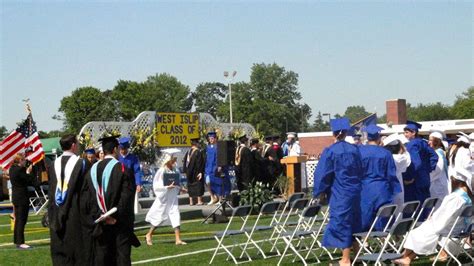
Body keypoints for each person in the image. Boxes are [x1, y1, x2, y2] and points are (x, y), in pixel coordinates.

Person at [393, 165, 474, 265]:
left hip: (447, 228)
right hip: (460, 228)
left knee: (421, 231)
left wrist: (432, 219)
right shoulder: (468, 198)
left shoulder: (456, 197)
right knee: (422, 230)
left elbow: (444, 217)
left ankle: (406, 258)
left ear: (457, 181)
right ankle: (406, 257)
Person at [81, 135, 140, 266]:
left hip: (100, 223)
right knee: (121, 257)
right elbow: (126, 198)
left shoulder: (91, 171)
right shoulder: (123, 169)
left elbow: (86, 199)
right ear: (115, 149)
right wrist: (113, 217)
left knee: (102, 257)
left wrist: (100, 215)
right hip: (120, 223)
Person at [313, 117, 363, 266]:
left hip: (340, 192)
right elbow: (361, 170)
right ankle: (358, 255)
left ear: (333, 133)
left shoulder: (331, 151)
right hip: (355, 191)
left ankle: (346, 259)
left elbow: (323, 174)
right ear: (346, 132)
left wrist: (319, 191)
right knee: (354, 221)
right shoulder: (355, 149)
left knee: (342, 223)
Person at [48, 134, 91, 265]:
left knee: (60, 249)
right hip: (75, 212)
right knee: (78, 250)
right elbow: (87, 191)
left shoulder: (52, 164)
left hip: (56, 211)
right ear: (73, 145)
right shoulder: (82, 163)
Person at [359, 125, 401, 231]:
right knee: (384, 219)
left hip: (365, 189)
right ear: (378, 138)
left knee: (365, 216)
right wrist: (395, 188)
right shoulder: (385, 153)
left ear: (367, 138)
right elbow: (391, 173)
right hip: (382, 189)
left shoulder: (359, 152)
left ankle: (364, 240)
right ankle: (383, 239)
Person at [145, 149, 187, 246]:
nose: (175, 161)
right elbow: (156, 185)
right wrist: (166, 187)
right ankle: (149, 234)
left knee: (176, 215)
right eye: (173, 159)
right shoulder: (162, 171)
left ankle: (178, 239)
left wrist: (180, 189)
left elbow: (176, 183)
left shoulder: (175, 170)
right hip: (163, 198)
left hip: (172, 197)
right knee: (159, 217)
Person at [402, 120, 438, 207]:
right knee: (425, 205)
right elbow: (434, 156)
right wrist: (427, 169)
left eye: (406, 132)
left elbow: (416, 163)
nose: (405, 135)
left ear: (413, 132)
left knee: (414, 208)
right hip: (425, 178)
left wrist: (410, 177)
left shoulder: (412, 144)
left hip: (415, 182)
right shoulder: (423, 143)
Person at [9, 153, 36, 249]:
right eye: (24, 160)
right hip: (21, 197)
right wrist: (28, 172)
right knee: (21, 220)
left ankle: (17, 241)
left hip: (16, 197)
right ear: (20, 160)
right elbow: (28, 180)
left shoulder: (12, 169)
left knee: (18, 220)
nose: (25, 161)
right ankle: (21, 242)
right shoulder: (20, 170)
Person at [383, 133, 411, 210]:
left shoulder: (387, 158)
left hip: (389, 187)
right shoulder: (403, 158)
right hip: (399, 186)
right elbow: (406, 154)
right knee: (399, 210)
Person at [428, 131, 449, 201]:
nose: (428, 142)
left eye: (431, 140)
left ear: (436, 141)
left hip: (438, 186)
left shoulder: (438, 154)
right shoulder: (438, 152)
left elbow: (436, 170)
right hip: (438, 184)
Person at [183, 138, 205, 205]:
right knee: (198, 185)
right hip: (196, 172)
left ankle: (191, 201)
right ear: (196, 144)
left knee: (190, 185)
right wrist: (200, 172)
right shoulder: (198, 152)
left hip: (189, 172)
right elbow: (199, 163)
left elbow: (185, 163)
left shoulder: (188, 152)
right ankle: (199, 201)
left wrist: (185, 171)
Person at [204, 132, 219, 205]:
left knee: (216, 183)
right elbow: (206, 159)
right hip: (208, 168)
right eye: (210, 138)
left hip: (215, 167)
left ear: (215, 139)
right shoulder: (208, 147)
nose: (211, 140)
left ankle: (218, 198)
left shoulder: (218, 147)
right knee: (207, 182)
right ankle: (212, 197)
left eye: (212, 138)